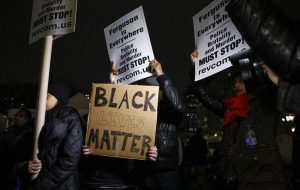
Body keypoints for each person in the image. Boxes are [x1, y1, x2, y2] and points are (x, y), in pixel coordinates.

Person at [189, 49, 289, 190]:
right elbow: (205, 97)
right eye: (235, 82)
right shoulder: (230, 108)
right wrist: (196, 69)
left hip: (267, 178)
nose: (236, 85)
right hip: (240, 178)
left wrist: (260, 59)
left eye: (241, 81)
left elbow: (274, 81)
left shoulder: (265, 101)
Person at [127, 59, 185, 190]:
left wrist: (160, 74)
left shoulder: (171, 113)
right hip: (143, 171)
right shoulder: (139, 112)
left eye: (154, 90)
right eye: (147, 90)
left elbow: (178, 106)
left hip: (166, 173)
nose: (149, 94)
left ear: (163, 93)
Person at [16, 82, 83, 190]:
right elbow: (20, 155)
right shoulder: (35, 122)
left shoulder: (70, 118)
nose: (41, 98)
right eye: (41, 94)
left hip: (62, 185)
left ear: (58, 99)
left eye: (47, 95)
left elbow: (70, 160)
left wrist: (41, 185)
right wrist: (24, 166)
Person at [0, 108, 33, 189]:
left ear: (28, 119)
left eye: (21, 116)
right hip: (6, 168)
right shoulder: (11, 130)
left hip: (18, 171)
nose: (17, 118)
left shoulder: (29, 134)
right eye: (16, 115)